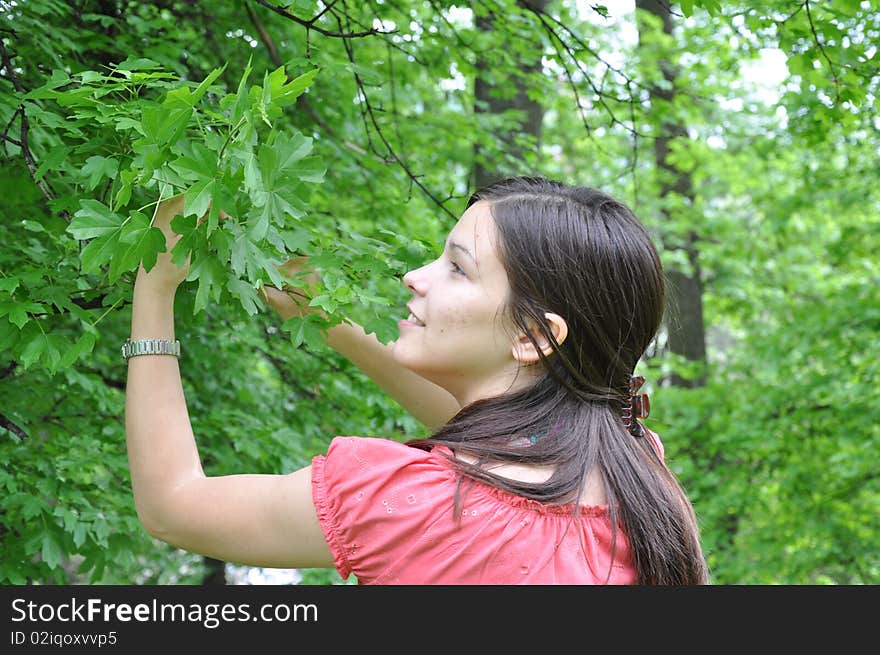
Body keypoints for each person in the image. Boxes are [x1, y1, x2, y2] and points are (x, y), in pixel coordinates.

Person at [124, 176, 709, 585]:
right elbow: (495, 424)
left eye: (458, 268)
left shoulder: (414, 505)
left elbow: (174, 506)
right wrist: (314, 305)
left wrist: (155, 287)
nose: (413, 276)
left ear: (534, 337)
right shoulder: (634, 468)